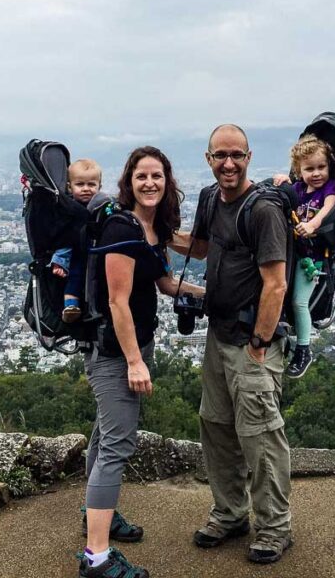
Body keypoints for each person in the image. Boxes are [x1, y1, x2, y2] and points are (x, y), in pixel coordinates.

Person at [171, 124, 293, 565]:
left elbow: (275, 285)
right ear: (208, 158)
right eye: (220, 155)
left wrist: (260, 342)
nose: (228, 163)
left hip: (251, 343)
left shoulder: (262, 211)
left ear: (249, 157)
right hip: (217, 334)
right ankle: (230, 513)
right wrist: (149, 228)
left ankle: (275, 527)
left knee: (260, 437)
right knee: (217, 427)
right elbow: (200, 248)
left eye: (236, 155)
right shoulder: (209, 199)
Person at [78, 146, 202, 578]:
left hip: (133, 346)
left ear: (167, 181)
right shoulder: (120, 227)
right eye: (141, 176)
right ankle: (96, 558)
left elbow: (165, 282)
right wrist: (134, 361)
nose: (150, 183)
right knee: (117, 445)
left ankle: (99, 517)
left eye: (157, 176)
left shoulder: (150, 227)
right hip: (114, 352)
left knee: (103, 435)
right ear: (128, 182)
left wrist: (214, 296)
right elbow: (117, 300)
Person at [273, 134, 335, 378]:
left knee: (299, 301)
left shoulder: (330, 188)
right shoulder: (299, 189)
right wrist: (283, 181)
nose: (316, 173)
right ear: (299, 171)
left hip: (311, 260)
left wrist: (313, 225)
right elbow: (288, 193)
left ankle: (304, 349)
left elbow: (328, 208)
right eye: (309, 168)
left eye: (321, 167)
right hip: (293, 255)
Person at [50, 158, 104, 324]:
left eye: (91, 185)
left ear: (99, 187)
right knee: (75, 275)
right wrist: (60, 262)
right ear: (69, 186)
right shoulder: (68, 209)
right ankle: (70, 305)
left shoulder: (102, 206)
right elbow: (62, 239)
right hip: (76, 252)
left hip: (95, 251)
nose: (86, 189)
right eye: (80, 184)